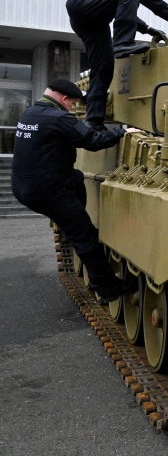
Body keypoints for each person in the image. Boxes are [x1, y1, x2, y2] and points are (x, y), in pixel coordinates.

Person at [11, 80, 140, 303]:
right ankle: (108, 287)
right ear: (63, 99)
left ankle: (71, 223)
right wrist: (122, 131)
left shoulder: (30, 113)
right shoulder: (60, 118)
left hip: (23, 187)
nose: (72, 106)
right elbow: (92, 140)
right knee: (86, 236)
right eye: (71, 102)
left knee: (77, 177)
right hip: (48, 191)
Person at [66, 0, 168, 131]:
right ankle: (122, 43)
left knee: (103, 67)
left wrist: (149, 29)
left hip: (89, 21)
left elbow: (126, 13)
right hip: (82, 5)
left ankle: (94, 121)